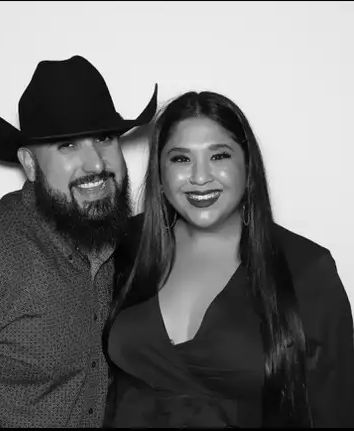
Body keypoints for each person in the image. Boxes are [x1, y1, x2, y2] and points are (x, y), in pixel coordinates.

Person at [0, 55, 157, 427]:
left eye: (104, 138)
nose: (96, 164)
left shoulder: (129, 248)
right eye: (67, 146)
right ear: (30, 164)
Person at [103, 90, 354, 428]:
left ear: (248, 167)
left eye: (219, 156)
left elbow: (336, 408)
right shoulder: (126, 246)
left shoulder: (307, 269)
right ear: (160, 174)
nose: (200, 177)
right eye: (181, 159)